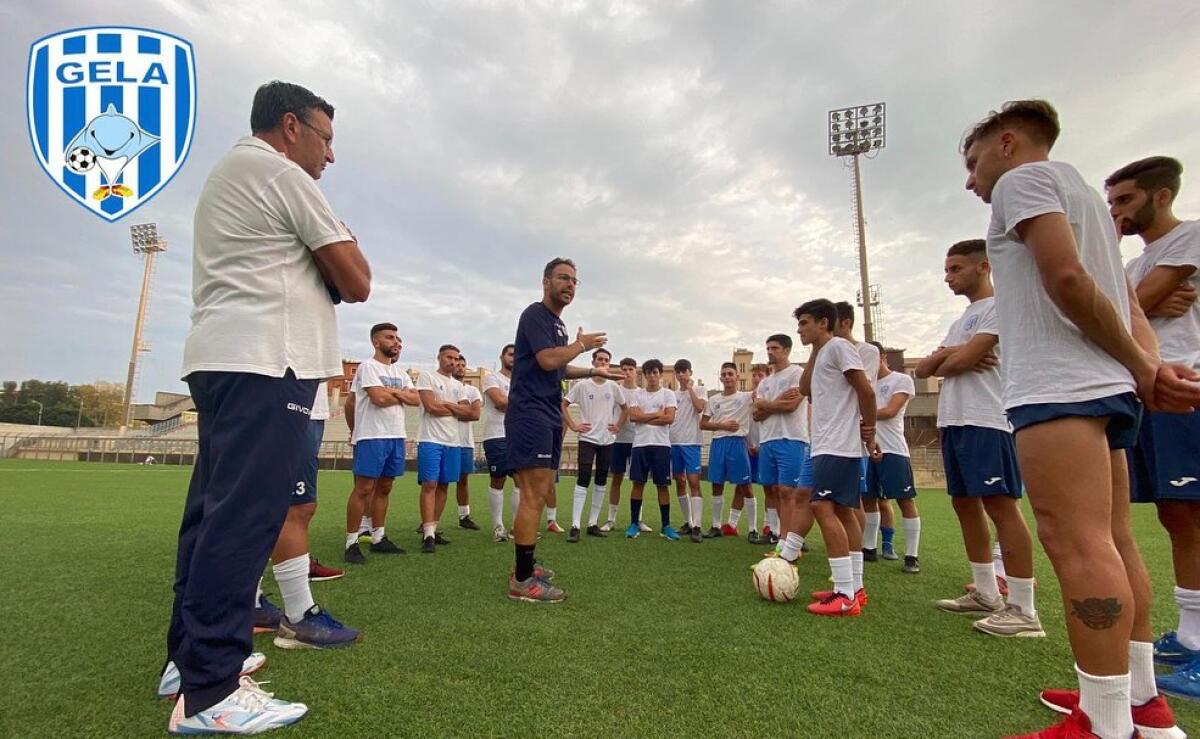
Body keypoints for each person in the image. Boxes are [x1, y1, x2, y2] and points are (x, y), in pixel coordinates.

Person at [961, 99, 1199, 739]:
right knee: (1115, 541)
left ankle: (1103, 721)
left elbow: (1065, 279)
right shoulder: (1092, 202)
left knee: (1077, 544)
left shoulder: (1023, 180)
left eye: (973, 160)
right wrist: (1148, 368)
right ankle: (1140, 703)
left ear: (1007, 143)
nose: (970, 178)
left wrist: (1146, 370)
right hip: (1105, 387)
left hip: (1059, 387)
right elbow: (1130, 304)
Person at [165, 80, 370, 734]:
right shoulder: (280, 173)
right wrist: (337, 241)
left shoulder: (238, 171)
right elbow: (358, 279)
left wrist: (328, 252)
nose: (330, 156)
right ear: (291, 126)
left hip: (227, 356)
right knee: (244, 520)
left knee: (210, 517)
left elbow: (335, 271)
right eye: (326, 138)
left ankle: (188, 657)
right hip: (265, 360)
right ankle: (211, 692)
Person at [1106, 155, 1200, 700]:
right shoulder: (1140, 263)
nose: (1115, 213)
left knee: (1194, 511)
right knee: (1176, 513)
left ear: (1161, 195)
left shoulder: (1189, 239)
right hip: (1150, 390)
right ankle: (1190, 636)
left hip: (1186, 385)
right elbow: (1117, 312)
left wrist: (1141, 310)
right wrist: (1144, 309)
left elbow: (1125, 312)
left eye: (1126, 200)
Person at [914, 239, 1042, 637]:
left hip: (988, 420)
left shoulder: (1000, 307)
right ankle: (987, 593)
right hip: (955, 421)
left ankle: (1024, 609)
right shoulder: (962, 321)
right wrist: (954, 353)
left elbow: (962, 362)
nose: (948, 277)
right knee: (964, 505)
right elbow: (927, 370)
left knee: (1001, 507)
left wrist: (952, 357)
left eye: (955, 269)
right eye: (946, 270)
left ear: (983, 267)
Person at [506, 258, 621, 602]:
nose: (570, 284)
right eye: (563, 278)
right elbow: (546, 361)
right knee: (533, 493)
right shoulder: (535, 315)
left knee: (540, 493)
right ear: (545, 282)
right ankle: (523, 582)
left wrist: (593, 373)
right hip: (530, 414)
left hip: (546, 413)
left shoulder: (557, 325)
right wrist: (582, 345)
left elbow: (558, 367)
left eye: (574, 281)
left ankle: (525, 566)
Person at [796, 299, 877, 618]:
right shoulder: (823, 352)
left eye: (805, 323)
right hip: (827, 444)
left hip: (837, 445)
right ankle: (854, 587)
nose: (800, 329)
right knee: (843, 511)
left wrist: (869, 432)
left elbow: (866, 391)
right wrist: (814, 350)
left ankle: (844, 593)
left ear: (824, 323)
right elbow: (805, 389)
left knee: (822, 507)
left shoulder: (840, 348)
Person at [343, 324, 419, 564]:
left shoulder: (402, 373)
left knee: (385, 487)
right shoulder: (367, 367)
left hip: (396, 435)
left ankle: (378, 537)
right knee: (364, 488)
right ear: (376, 342)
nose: (396, 342)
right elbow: (378, 399)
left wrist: (391, 392)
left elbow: (416, 399)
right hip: (371, 434)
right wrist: (398, 394)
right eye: (390, 337)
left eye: (398, 338)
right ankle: (352, 542)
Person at [862, 343, 922, 574]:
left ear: (883, 357)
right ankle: (869, 548)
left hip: (894, 450)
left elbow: (890, 411)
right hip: (865, 449)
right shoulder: (864, 384)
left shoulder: (901, 380)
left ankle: (911, 555)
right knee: (869, 500)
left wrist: (863, 414)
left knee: (904, 500)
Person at [751, 334, 811, 561]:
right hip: (768, 440)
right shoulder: (765, 382)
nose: (770, 352)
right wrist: (776, 402)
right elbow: (756, 415)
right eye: (767, 348)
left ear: (786, 350)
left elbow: (792, 405)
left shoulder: (797, 373)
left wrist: (765, 403)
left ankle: (788, 542)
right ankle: (778, 533)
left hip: (792, 438)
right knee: (771, 489)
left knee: (788, 491)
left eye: (774, 348)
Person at [563, 348, 626, 542]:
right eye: (600, 359)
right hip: (588, 438)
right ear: (593, 362)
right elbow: (563, 404)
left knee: (601, 480)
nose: (603, 363)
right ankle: (575, 525)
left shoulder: (614, 387)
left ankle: (592, 523)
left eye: (606, 360)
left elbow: (625, 408)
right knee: (583, 478)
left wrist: (618, 425)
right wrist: (574, 425)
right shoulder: (582, 385)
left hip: (607, 439)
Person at [415, 345, 472, 554]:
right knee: (430, 483)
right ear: (439, 357)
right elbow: (431, 407)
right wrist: (454, 408)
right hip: (430, 439)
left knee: (444, 485)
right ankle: (427, 533)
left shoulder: (459, 385)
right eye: (449, 357)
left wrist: (447, 406)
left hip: (453, 441)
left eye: (456, 358)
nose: (453, 361)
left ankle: (433, 528)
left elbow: (468, 412)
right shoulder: (427, 377)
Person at [625, 359, 679, 540]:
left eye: (655, 372)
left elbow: (669, 418)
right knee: (637, 484)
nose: (652, 376)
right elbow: (633, 417)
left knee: (662, 486)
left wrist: (644, 417)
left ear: (660, 374)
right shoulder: (637, 395)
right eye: (648, 373)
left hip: (661, 445)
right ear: (645, 375)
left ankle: (666, 526)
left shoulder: (668, 394)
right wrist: (657, 414)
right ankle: (634, 524)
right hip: (640, 444)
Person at [700, 362, 753, 539]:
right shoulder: (714, 400)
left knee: (745, 486)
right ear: (720, 377)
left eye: (731, 374)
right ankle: (716, 526)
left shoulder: (746, 397)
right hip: (718, 442)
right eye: (724, 374)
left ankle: (753, 529)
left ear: (737, 377)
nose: (727, 377)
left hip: (738, 443)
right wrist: (721, 425)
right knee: (716, 484)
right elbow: (703, 423)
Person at [602, 357, 645, 532]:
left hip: (638, 441)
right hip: (617, 441)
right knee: (616, 480)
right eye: (624, 369)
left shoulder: (642, 393)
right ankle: (611, 520)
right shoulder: (614, 390)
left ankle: (638, 519)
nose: (627, 372)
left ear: (636, 372)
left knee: (638, 481)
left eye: (630, 369)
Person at [482, 344, 517, 542]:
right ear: (502, 356)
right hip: (496, 435)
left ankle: (515, 526)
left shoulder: (523, 382)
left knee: (521, 480)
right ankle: (498, 526)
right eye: (511, 354)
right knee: (498, 479)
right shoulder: (492, 378)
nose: (514, 358)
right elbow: (500, 402)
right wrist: (525, 404)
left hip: (519, 436)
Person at [670, 359, 707, 542]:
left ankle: (698, 526)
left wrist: (690, 388)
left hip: (691, 442)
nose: (681, 375)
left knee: (694, 482)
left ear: (690, 372)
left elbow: (700, 407)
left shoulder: (699, 390)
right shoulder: (672, 394)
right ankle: (688, 521)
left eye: (684, 371)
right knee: (679, 481)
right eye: (678, 372)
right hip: (674, 442)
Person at [452, 355, 483, 530]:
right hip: (444, 439)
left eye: (463, 365)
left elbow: (474, 414)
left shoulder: (472, 391)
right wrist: (463, 408)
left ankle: (464, 516)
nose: (460, 367)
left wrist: (450, 408)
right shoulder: (442, 387)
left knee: (463, 480)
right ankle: (428, 521)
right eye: (457, 364)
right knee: (436, 482)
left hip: (464, 442)